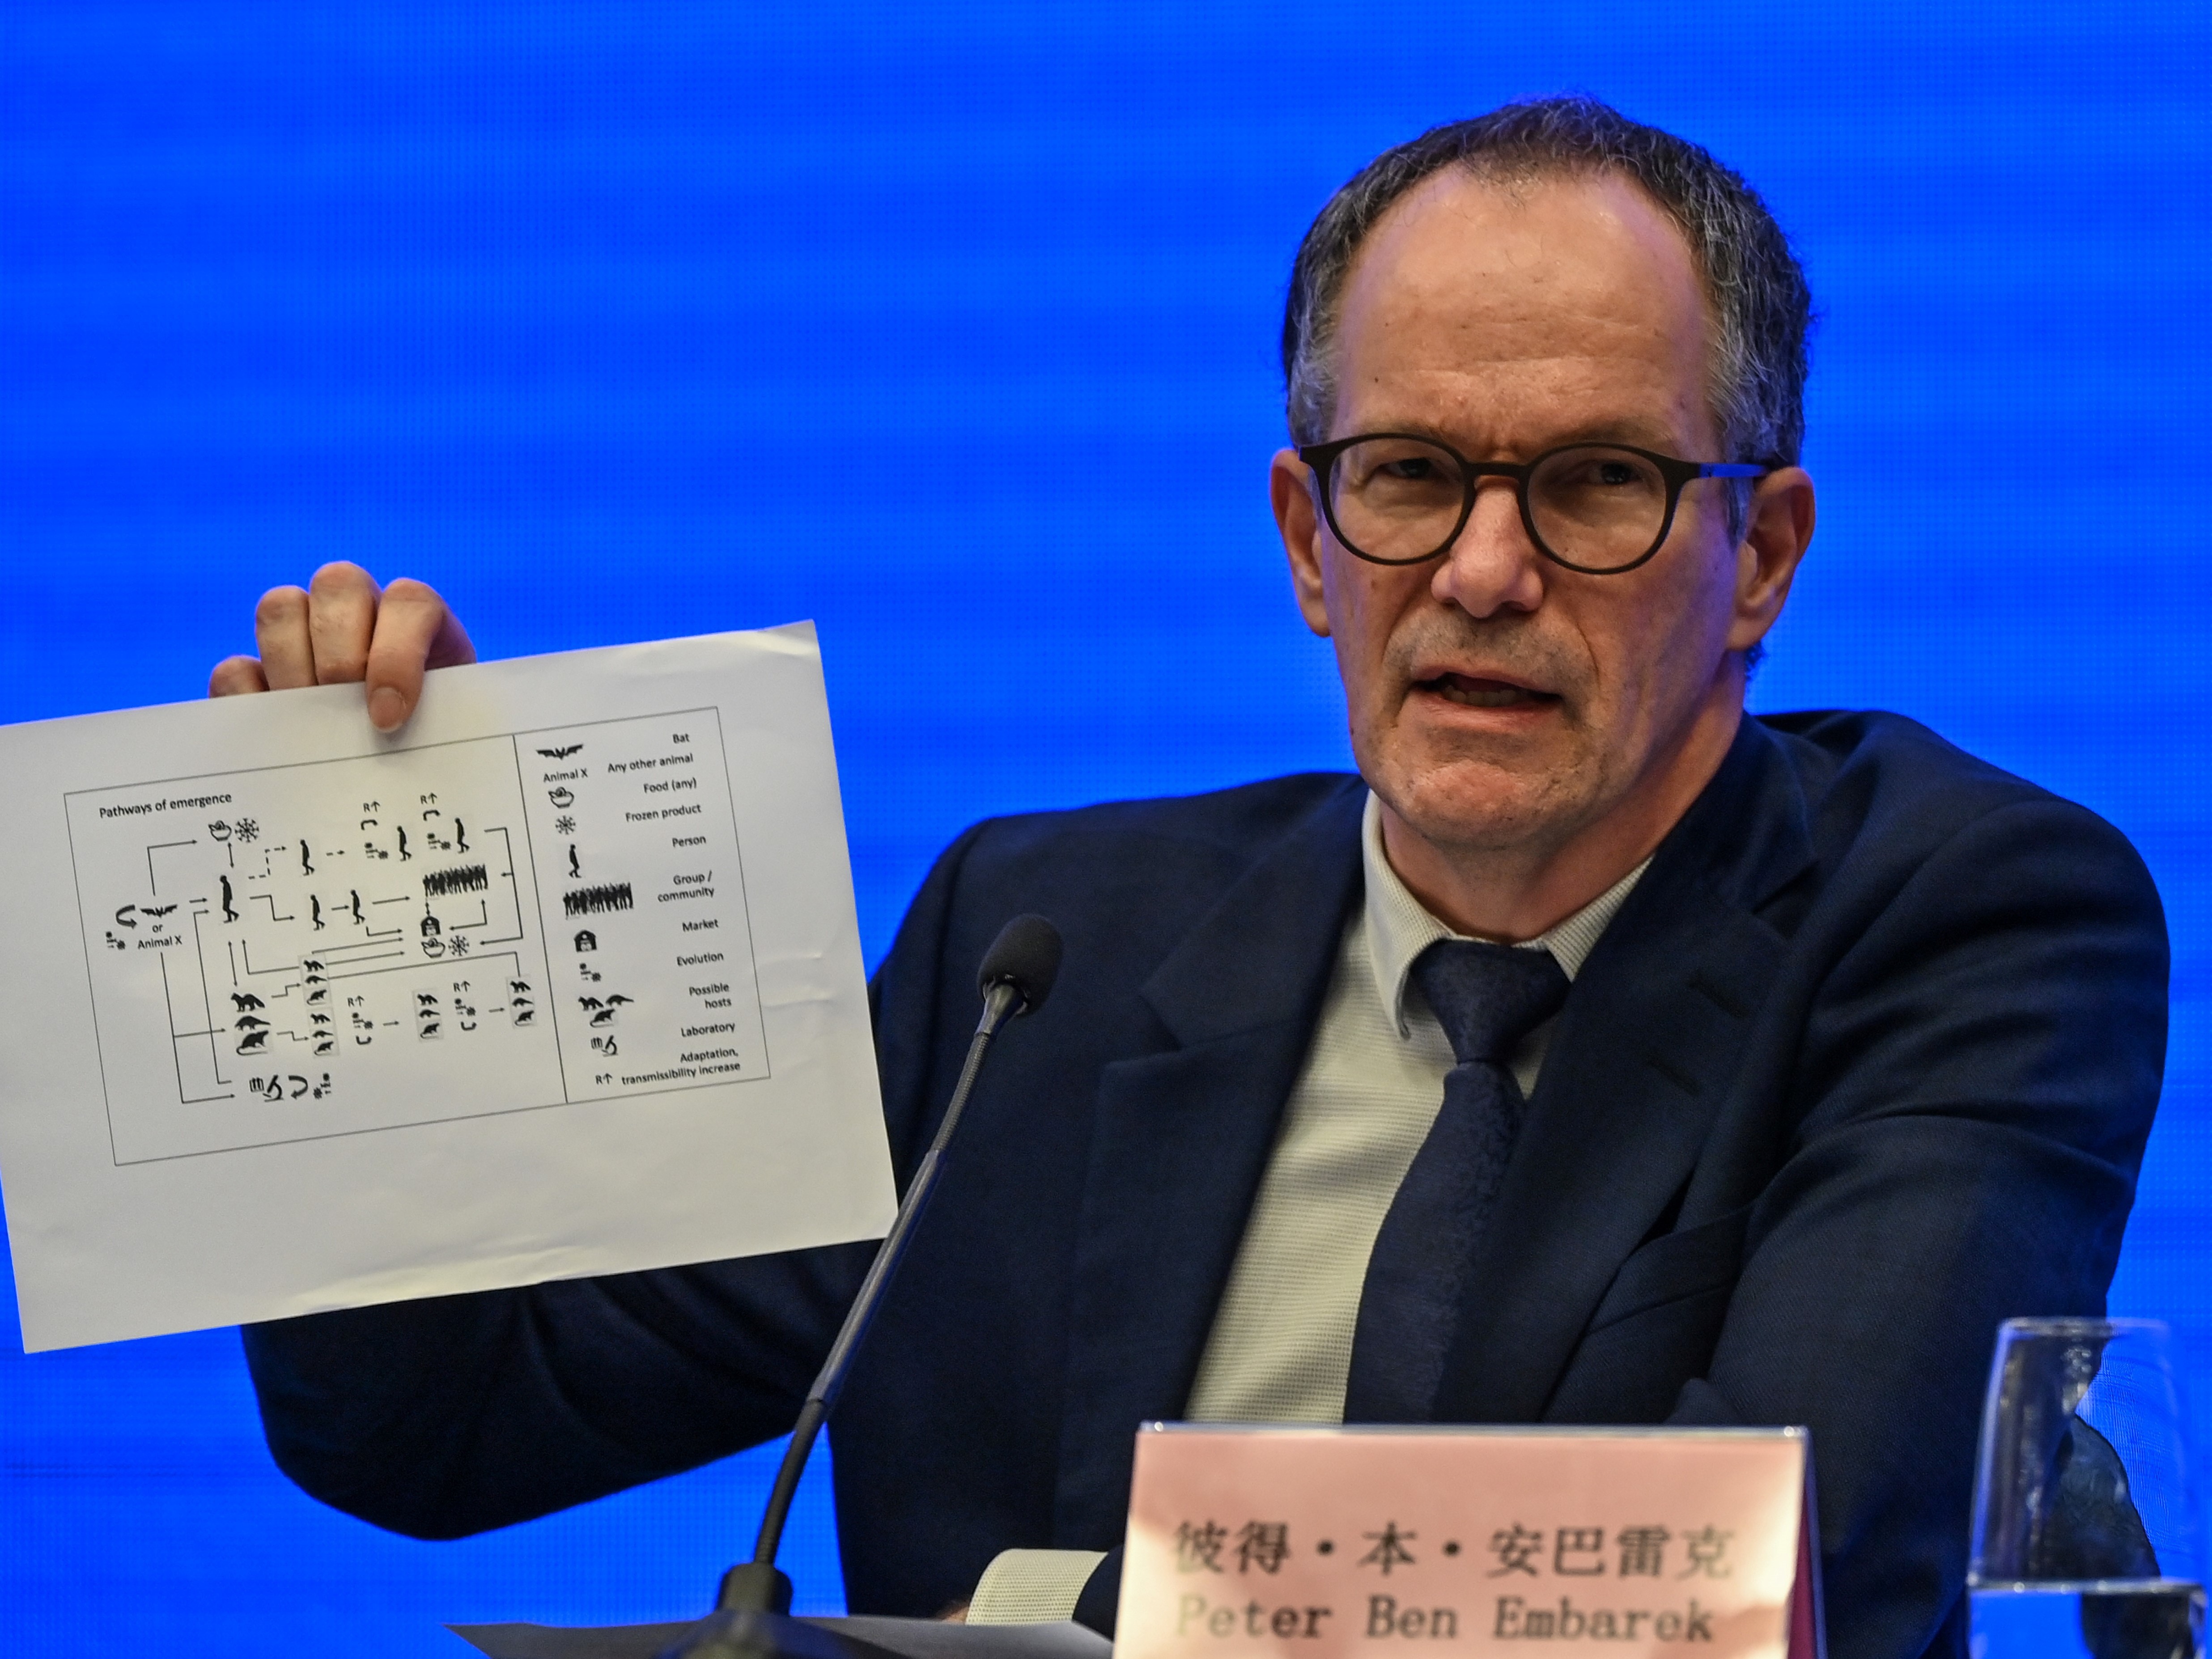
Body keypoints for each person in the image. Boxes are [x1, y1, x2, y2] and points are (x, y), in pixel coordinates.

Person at [219, 99, 2165, 1659]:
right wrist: (395, 936)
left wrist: (1036, 1617)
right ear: (1309, 544)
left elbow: (1758, 1574)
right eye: (1405, 477)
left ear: (1758, 556)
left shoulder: (1964, 919)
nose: (1482, 571)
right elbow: (442, 1427)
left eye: (1590, 484)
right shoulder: (1041, 951)